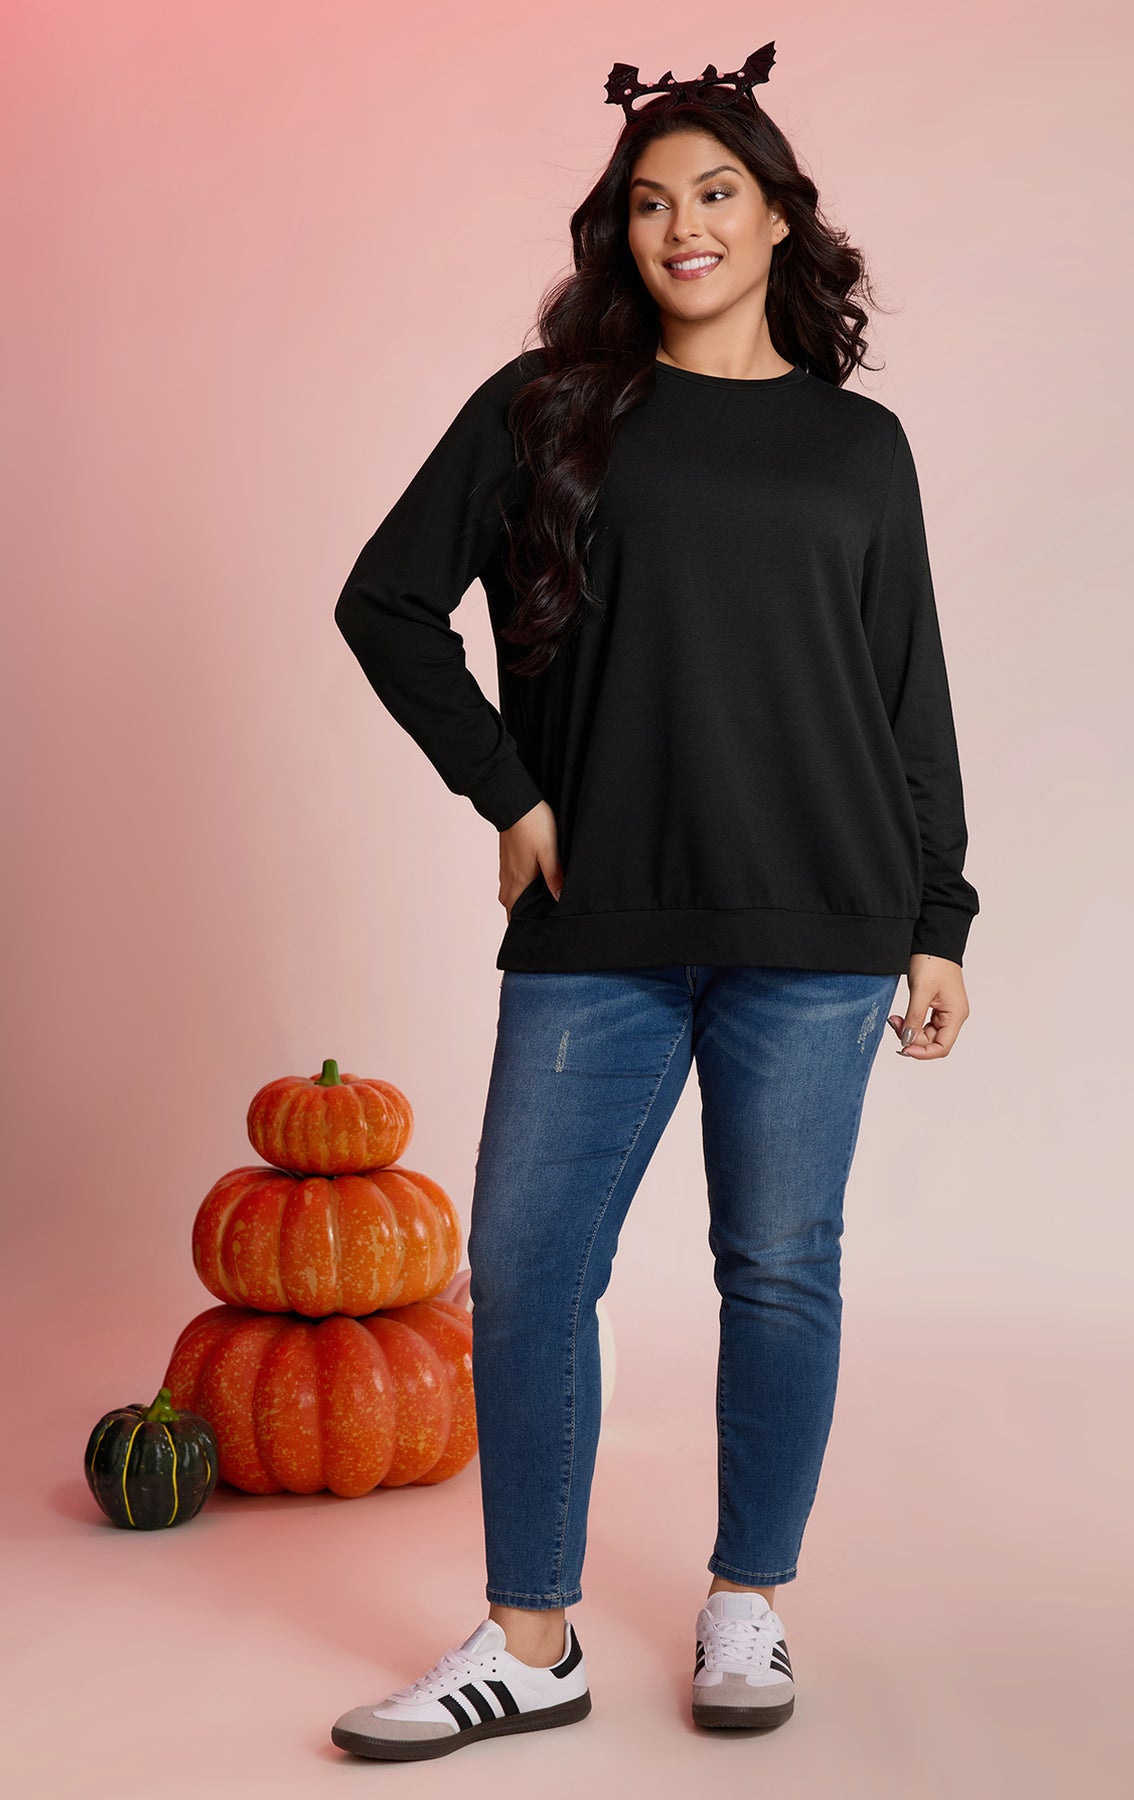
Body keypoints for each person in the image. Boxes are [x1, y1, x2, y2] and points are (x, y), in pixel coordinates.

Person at [329, 40, 979, 1762]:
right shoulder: (545, 408)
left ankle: (745, 1600)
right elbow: (386, 603)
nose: (680, 224)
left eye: (714, 192)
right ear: (618, 232)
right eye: (647, 201)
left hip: (821, 921)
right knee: (529, 1267)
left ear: (775, 221)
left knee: (777, 1268)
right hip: (600, 921)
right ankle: (528, 1640)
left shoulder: (859, 448)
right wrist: (509, 790)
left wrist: (939, 915)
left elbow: (905, 694)